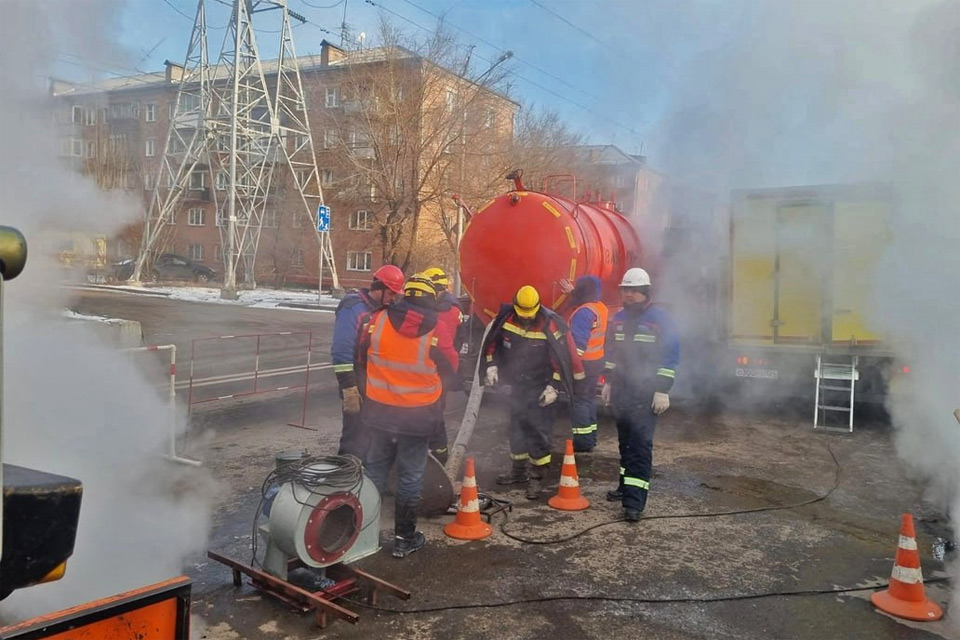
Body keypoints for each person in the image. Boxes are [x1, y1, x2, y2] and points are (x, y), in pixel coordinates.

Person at [356, 273, 460, 557]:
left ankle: (363, 534)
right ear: (430, 299)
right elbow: (451, 367)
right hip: (418, 417)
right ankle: (404, 539)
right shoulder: (437, 328)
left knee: (375, 470)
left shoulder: (375, 320)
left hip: (379, 413)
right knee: (410, 476)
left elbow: (360, 358)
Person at [480, 285, 585, 500]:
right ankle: (517, 472)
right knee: (517, 428)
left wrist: (553, 388)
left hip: (541, 386)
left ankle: (537, 478)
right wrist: (491, 366)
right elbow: (492, 345)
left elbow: (561, 359)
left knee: (539, 431)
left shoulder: (550, 323)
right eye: (523, 315)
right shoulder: (506, 319)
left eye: (530, 315)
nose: (526, 320)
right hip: (516, 385)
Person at [602, 268, 680, 521]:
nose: (628, 294)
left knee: (639, 447)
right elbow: (611, 353)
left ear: (645, 292)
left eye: (633, 290)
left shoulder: (661, 320)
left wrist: (662, 390)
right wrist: (608, 382)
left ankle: (634, 503)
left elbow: (669, 357)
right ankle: (625, 488)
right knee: (624, 444)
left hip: (646, 393)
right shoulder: (618, 319)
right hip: (622, 391)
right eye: (625, 290)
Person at [330, 264, 405, 458]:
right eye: (390, 294)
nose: (393, 299)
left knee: (373, 434)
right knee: (354, 436)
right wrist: (349, 387)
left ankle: (367, 477)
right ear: (378, 289)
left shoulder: (381, 309)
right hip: (357, 380)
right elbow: (341, 349)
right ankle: (347, 477)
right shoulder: (353, 308)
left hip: (374, 381)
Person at [421, 266, 464, 464]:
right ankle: (437, 453)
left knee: (433, 415)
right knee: (435, 414)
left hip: (434, 369)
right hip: (441, 368)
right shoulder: (455, 309)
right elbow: (458, 342)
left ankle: (436, 454)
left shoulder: (434, 311)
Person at [566, 276, 608, 453]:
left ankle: (582, 442)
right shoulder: (600, 307)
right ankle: (590, 438)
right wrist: (573, 293)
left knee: (580, 401)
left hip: (583, 364)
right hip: (596, 361)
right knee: (589, 399)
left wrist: (572, 366)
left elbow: (579, 345)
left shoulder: (583, 313)